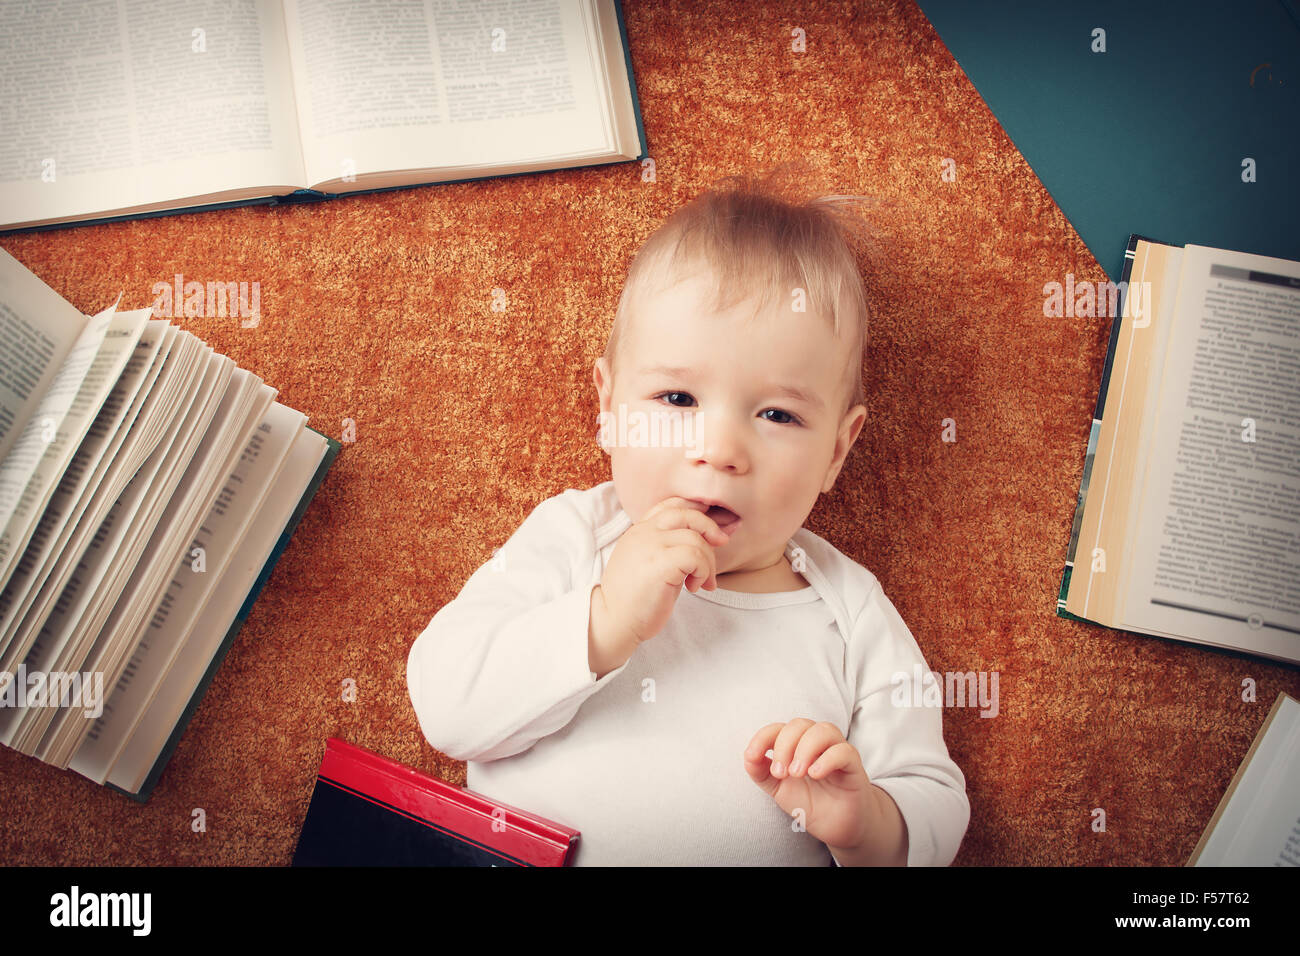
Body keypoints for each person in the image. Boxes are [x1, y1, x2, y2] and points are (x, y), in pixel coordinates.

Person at [406, 167, 970, 865]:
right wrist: (604, 620)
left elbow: (935, 798)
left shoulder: (850, 608)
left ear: (837, 450)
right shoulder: (577, 535)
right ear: (609, 411)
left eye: (777, 414)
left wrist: (867, 823)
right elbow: (446, 704)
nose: (720, 450)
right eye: (676, 399)